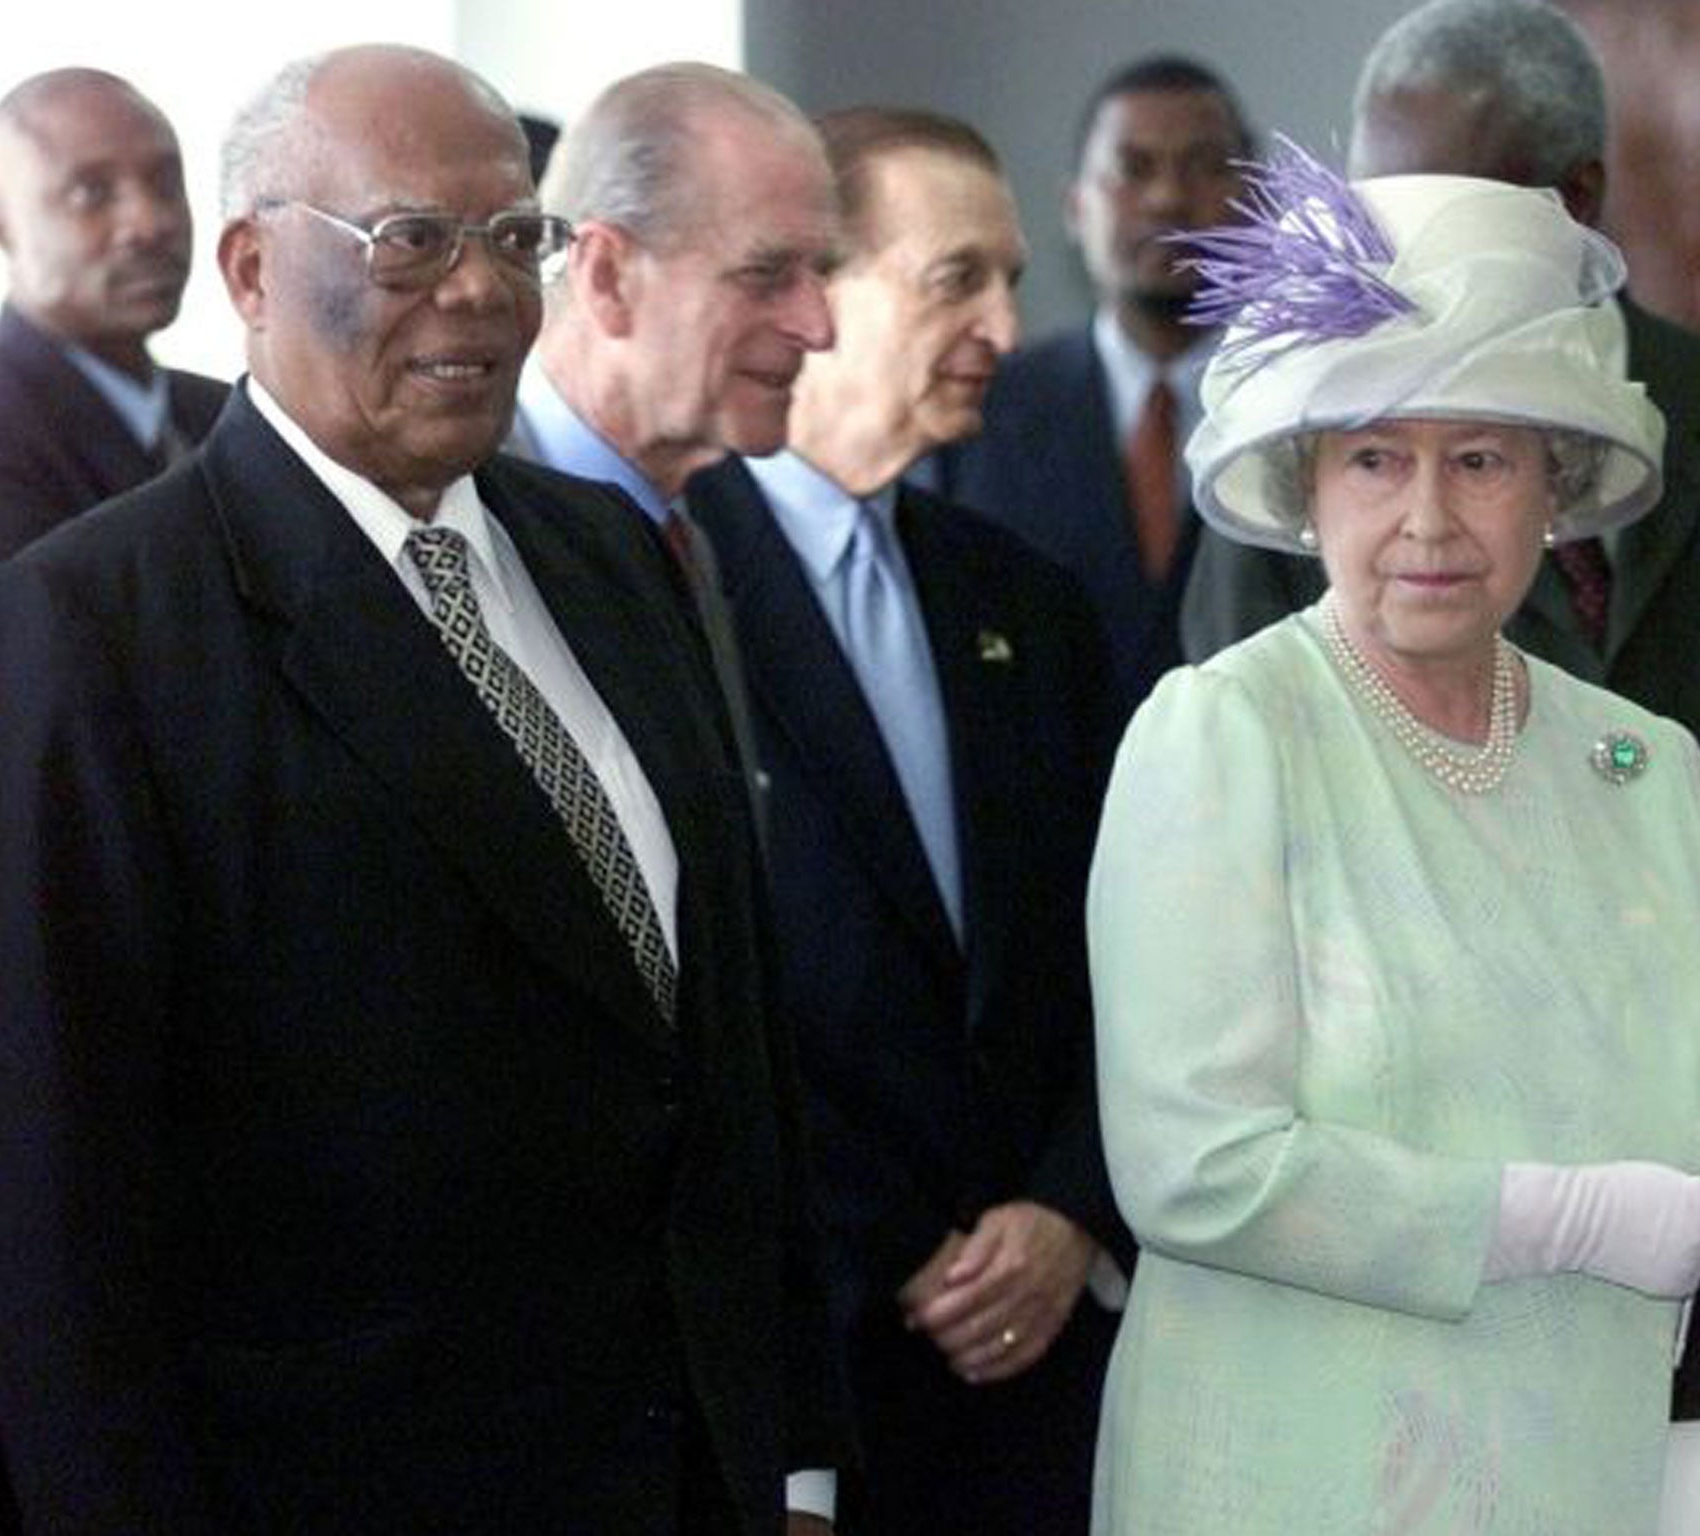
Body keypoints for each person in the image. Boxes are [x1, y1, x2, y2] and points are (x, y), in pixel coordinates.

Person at [0, 44, 843, 1534]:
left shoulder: (610, 553)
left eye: (514, 238)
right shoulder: (95, 634)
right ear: (253, 269)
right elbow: (62, 1220)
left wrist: (796, 1460)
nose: (477, 291)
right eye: (410, 241)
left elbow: (723, 1045)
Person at [1088, 152, 1700, 1533]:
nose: (1431, 520)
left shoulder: (1649, 769)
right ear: (1306, 486)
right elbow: (1193, 1166)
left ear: (1554, 488)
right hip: (1294, 1478)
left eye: (1484, 460)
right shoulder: (1225, 735)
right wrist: (1561, 1220)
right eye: (1377, 458)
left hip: (1576, 1473)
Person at [686, 108, 1130, 1534]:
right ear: (817, 289)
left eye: (1011, 279)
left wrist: (1068, 1207)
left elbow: (1113, 944)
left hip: (1045, 1368)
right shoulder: (661, 586)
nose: (1006, 324)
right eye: (957, 281)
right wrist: (896, 1246)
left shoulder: (1027, 599)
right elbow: (706, 993)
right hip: (806, 1366)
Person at [512, 62, 838, 838]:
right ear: (607, 276)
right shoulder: (453, 534)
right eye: (766, 276)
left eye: (819, 273)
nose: (819, 327)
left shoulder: (692, 534)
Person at [921, 56, 1250, 724]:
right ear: (1075, 208)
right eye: (1132, 168)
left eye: (1201, 165)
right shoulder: (978, 407)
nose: (1166, 198)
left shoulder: (1310, 416)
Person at [0, 68, 228, 558]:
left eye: (166, 183)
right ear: (5, 224)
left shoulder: (227, 416)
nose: (150, 223)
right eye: (91, 193)